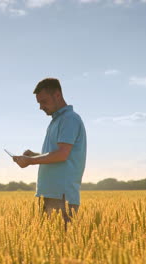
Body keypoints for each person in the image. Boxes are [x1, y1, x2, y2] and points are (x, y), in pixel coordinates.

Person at [13, 78, 87, 229]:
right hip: (50, 193)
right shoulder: (56, 120)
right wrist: (34, 155)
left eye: (44, 101)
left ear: (57, 95)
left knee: (61, 246)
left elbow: (62, 155)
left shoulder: (69, 119)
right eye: (39, 103)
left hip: (61, 195)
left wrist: (30, 161)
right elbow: (57, 155)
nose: (41, 107)